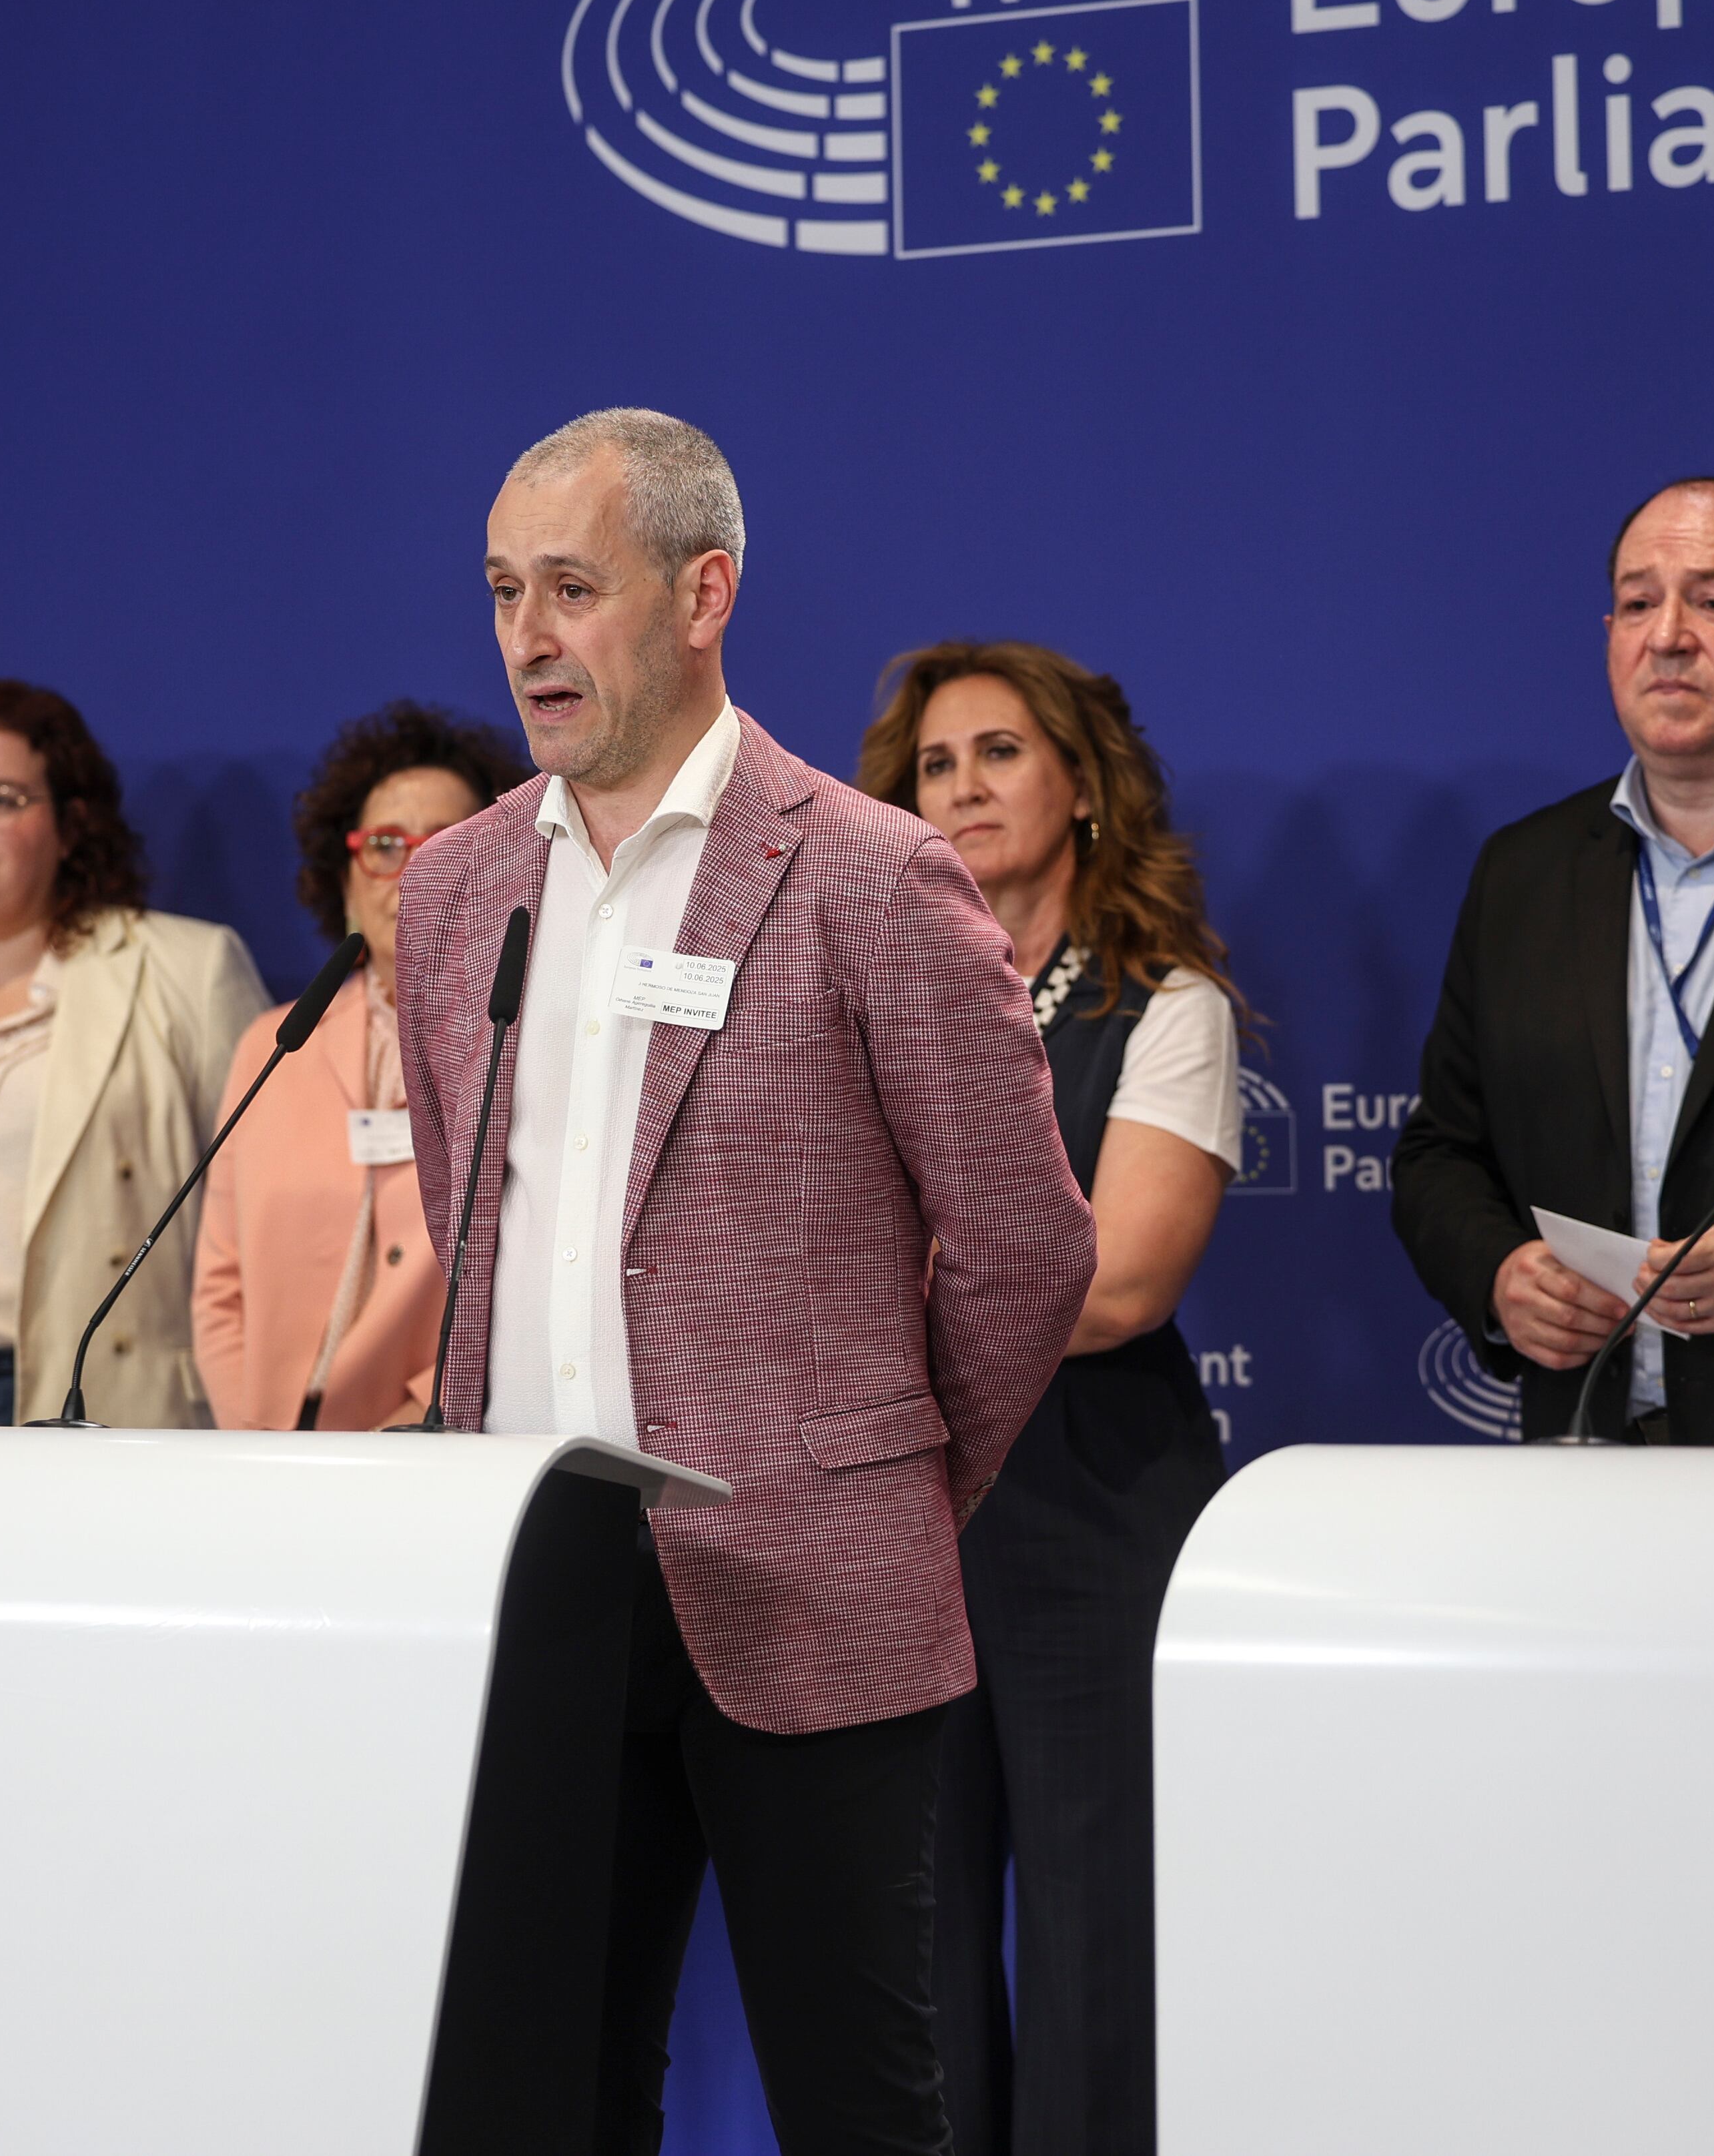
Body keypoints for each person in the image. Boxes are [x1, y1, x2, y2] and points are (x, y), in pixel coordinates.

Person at [402, 408, 1096, 2155]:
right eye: (503, 591)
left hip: (812, 1582)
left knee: (862, 2107)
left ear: (705, 590)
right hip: (534, 1581)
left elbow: (1026, 1253)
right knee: (526, 2101)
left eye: (574, 587)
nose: (528, 636)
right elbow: (464, 1207)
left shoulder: (870, 873)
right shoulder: (458, 888)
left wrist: (886, 1476)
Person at [858, 641, 1250, 2156]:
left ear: (1081, 787)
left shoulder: (1167, 1005)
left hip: (1092, 1516)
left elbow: (1118, 1287)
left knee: (1095, 1945)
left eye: (999, 753)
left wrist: (874, 1297)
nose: (961, 786)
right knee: (914, 1950)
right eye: (935, 764)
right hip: (903, 1520)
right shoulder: (868, 1001)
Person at [1391, 478, 1714, 1443]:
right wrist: (1500, 1274)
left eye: (1713, 601)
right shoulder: (1524, 871)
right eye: (1636, 603)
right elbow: (1439, 1154)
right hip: (1585, 1449)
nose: (1666, 636)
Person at [0, 680, 265, 1428]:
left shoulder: (186, 972)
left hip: (88, 1403)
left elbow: (262, 1214)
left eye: (1, 799)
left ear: (69, 825)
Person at [192, 702, 522, 1429]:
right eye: (383, 845)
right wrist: (253, 1433)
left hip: (438, 1442)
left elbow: (529, 1279)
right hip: (275, 1450)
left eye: (444, 842)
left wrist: (419, 1422)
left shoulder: (524, 1041)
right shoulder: (273, 1044)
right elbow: (220, 1284)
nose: (411, 871)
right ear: (344, 874)